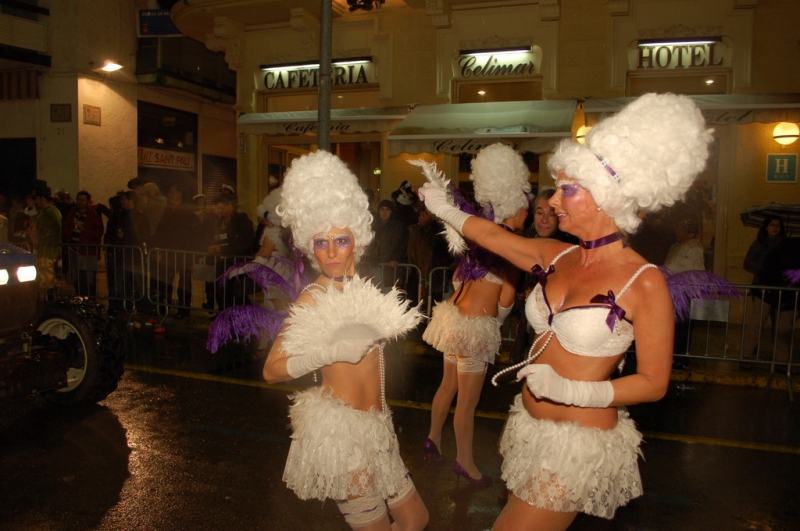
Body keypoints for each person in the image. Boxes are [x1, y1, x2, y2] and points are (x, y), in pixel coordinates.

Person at [419, 93, 713, 529]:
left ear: (604, 196)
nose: (554, 200)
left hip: (578, 444)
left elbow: (654, 383)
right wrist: (443, 206)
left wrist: (575, 392)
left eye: (567, 189)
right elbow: (495, 238)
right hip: (531, 430)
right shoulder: (558, 256)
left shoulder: (643, 280)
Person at [261, 150, 429, 531]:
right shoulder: (313, 298)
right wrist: (328, 352)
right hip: (343, 440)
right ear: (309, 244)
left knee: (416, 518)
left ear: (358, 237)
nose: (331, 252)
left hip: (378, 429)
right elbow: (272, 370)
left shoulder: (362, 289)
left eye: (341, 239)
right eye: (321, 242)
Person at [416, 143, 530, 488]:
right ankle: (464, 461)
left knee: (447, 385)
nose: (529, 210)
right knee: (468, 402)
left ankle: (433, 439)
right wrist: (496, 324)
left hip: (452, 318)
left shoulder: (480, 236)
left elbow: (455, 278)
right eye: (527, 202)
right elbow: (506, 300)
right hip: (475, 328)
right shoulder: (508, 245)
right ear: (517, 205)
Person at [510, 188, 578, 364]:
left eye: (551, 214)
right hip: (525, 317)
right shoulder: (526, 238)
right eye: (540, 213)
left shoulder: (569, 245)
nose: (545, 220)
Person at [153, 185, 200, 318]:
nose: (170, 194)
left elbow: (193, 234)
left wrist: (192, 253)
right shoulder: (168, 211)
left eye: (172, 192)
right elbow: (161, 231)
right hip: (169, 252)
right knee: (166, 281)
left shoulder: (186, 212)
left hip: (183, 253)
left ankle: (184, 310)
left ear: (180, 194)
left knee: (184, 283)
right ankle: (164, 308)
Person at [663, 218, 705, 364]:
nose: (677, 232)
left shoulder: (694, 249)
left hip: (684, 293)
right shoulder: (675, 247)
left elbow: (698, 272)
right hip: (671, 291)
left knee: (682, 327)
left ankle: (681, 359)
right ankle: (672, 356)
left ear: (690, 233)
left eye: (681, 230)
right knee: (672, 326)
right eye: (677, 229)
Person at [208, 192, 254, 310]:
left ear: (230, 205)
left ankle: (246, 318)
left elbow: (245, 241)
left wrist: (224, 249)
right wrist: (213, 247)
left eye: (222, 208)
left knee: (237, 294)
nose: (219, 211)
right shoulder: (220, 221)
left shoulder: (240, 219)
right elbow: (216, 237)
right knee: (222, 292)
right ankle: (227, 317)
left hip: (236, 262)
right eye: (218, 208)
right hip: (222, 262)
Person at [62, 190, 104, 296]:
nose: (80, 202)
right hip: (73, 251)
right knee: (76, 278)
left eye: (83, 200)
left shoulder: (93, 216)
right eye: (78, 200)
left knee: (89, 279)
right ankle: (80, 299)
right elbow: (66, 229)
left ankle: (90, 301)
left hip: (88, 252)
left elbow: (98, 233)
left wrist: (83, 229)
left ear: (88, 202)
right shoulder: (72, 214)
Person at [30, 183, 62, 291]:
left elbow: (45, 233)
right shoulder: (48, 212)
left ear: (42, 199)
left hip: (47, 251)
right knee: (46, 279)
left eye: (36, 199)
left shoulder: (49, 212)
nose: (35, 202)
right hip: (46, 251)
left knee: (46, 280)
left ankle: (49, 302)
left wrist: (32, 235)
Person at [744, 216, 786, 285]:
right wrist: (765, 267)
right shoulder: (759, 243)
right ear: (766, 227)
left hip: (780, 282)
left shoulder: (785, 244)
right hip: (761, 281)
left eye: (778, 225)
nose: (775, 228)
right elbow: (747, 263)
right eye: (772, 225)